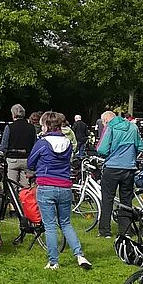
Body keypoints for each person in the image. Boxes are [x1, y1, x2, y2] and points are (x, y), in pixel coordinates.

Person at [28, 112, 92, 271]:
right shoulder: (68, 143)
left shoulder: (42, 143)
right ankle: (79, 255)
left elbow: (30, 163)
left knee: (50, 226)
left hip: (46, 186)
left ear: (46, 126)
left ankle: (53, 261)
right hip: (65, 186)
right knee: (66, 223)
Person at [95, 110, 143, 237]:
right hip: (129, 168)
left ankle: (105, 231)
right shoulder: (133, 127)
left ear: (106, 120)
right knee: (126, 200)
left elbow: (102, 149)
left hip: (112, 167)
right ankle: (125, 231)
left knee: (107, 199)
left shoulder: (110, 127)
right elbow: (141, 146)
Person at [1, 104, 35, 188]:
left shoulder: (9, 127)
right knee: (26, 186)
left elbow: (4, 146)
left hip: (13, 159)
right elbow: (34, 144)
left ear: (13, 114)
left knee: (13, 185)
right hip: (27, 160)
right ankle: (24, 200)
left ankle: (13, 199)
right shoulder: (31, 127)